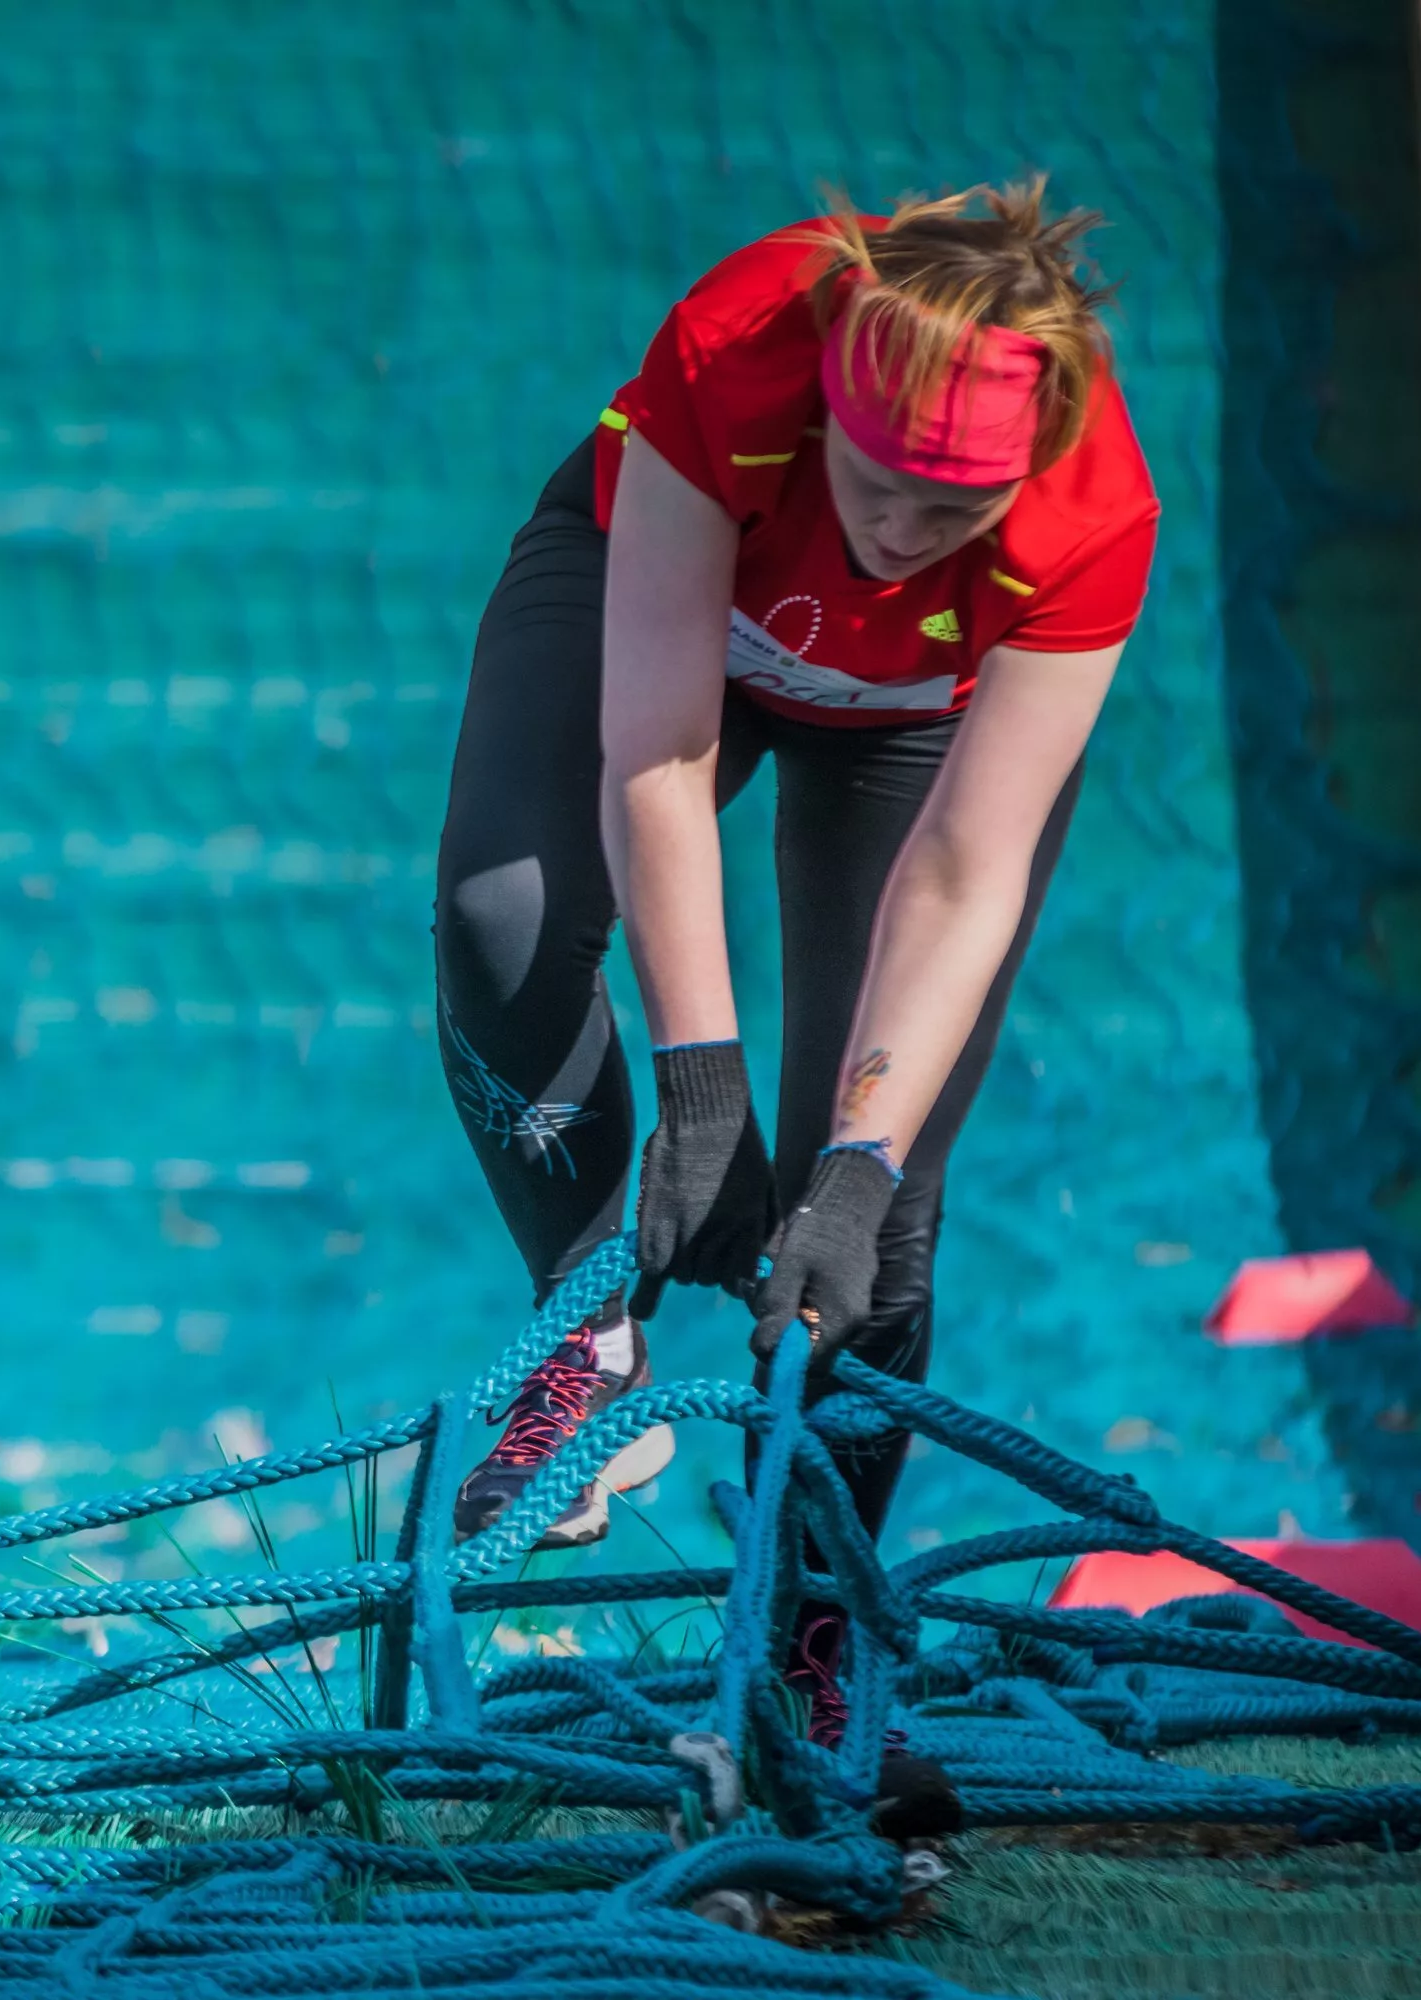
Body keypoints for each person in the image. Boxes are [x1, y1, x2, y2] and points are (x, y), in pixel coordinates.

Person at [434, 182, 1156, 1645]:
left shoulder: (1096, 513)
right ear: (827, 402)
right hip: (688, 619)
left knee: (872, 1230)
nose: (897, 533)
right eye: (874, 480)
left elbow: (965, 868)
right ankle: (586, 1338)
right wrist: (701, 1089)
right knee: (500, 914)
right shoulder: (739, 351)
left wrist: (858, 1158)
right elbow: (658, 750)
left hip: (914, 726)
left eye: (951, 509)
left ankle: (808, 1641)